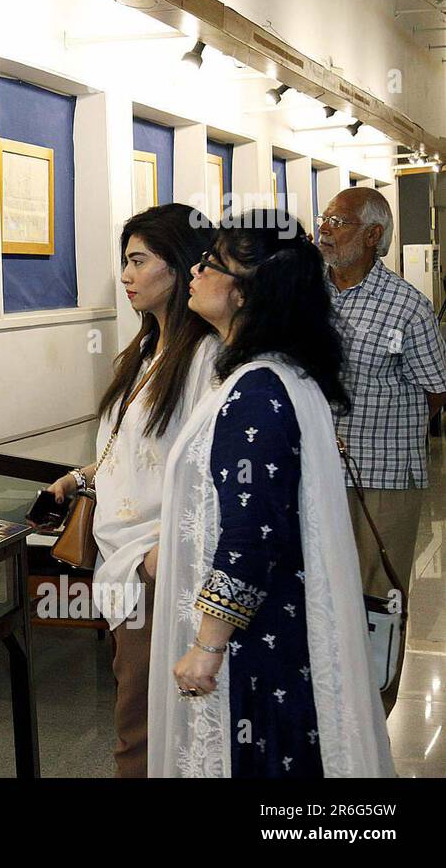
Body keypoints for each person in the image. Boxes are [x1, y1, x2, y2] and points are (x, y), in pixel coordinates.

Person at [149, 209, 394, 778]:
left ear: (244, 294)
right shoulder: (276, 373)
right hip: (279, 621)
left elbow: (251, 532)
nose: (195, 273)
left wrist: (209, 644)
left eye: (210, 265)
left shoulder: (257, 392)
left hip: (255, 640)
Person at [47, 204, 219, 777]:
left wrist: (160, 552)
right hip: (124, 558)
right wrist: (83, 477)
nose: (126, 276)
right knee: (137, 710)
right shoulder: (145, 352)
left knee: (140, 725)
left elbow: (206, 469)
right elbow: (130, 449)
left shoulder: (204, 358)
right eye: (125, 261)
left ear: (178, 266)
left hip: (158, 561)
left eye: (137, 261)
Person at [317, 188, 446, 714]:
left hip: (385, 476)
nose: (325, 228)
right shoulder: (307, 296)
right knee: (325, 589)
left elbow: (436, 387)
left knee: (379, 599)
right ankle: (327, 708)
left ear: (373, 236)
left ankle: (374, 712)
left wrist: (386, 427)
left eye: (339, 221)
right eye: (324, 218)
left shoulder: (407, 306)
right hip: (318, 473)